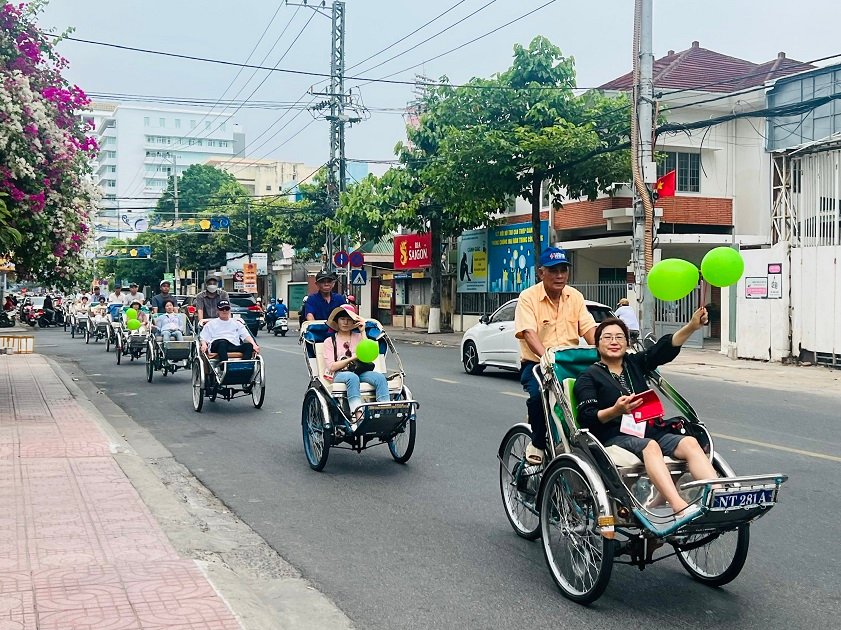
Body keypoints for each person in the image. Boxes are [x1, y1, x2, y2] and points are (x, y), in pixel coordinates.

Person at [573, 309, 717, 523]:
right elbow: (587, 417)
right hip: (614, 436)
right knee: (650, 445)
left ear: (627, 343)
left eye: (620, 337)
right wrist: (616, 410)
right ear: (597, 344)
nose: (614, 341)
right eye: (608, 337)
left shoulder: (635, 364)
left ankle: (717, 496)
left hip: (649, 428)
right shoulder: (588, 377)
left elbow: (663, 350)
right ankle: (678, 507)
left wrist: (692, 327)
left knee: (689, 442)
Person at [514, 247, 597, 465]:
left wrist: (607, 348)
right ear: (541, 273)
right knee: (538, 395)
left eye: (563, 270)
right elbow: (529, 334)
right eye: (553, 271)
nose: (559, 276)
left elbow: (589, 330)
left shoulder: (575, 297)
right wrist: (546, 359)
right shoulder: (528, 298)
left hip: (570, 364)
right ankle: (538, 443)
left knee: (597, 393)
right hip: (537, 364)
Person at [322, 305, 389, 430]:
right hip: (340, 374)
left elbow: (368, 356)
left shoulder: (358, 337)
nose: (345, 322)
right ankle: (357, 416)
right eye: (342, 319)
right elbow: (332, 366)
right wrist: (352, 358)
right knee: (352, 378)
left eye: (349, 319)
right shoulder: (329, 341)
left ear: (354, 321)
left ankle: (383, 415)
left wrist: (363, 331)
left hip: (359, 371)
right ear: (337, 321)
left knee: (380, 378)